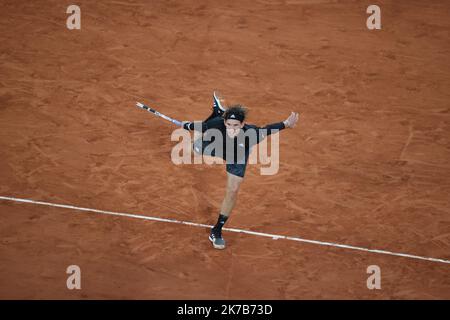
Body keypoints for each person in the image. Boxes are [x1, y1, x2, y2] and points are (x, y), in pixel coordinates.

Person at [182, 92, 299, 249]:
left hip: (237, 155)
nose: (231, 128)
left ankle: (216, 230)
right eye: (229, 124)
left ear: (242, 125)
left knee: (233, 190)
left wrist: (286, 124)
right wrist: (187, 125)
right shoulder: (217, 125)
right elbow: (200, 126)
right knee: (192, 150)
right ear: (225, 122)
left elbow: (268, 129)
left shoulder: (253, 134)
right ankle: (217, 113)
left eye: (236, 125)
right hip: (215, 143)